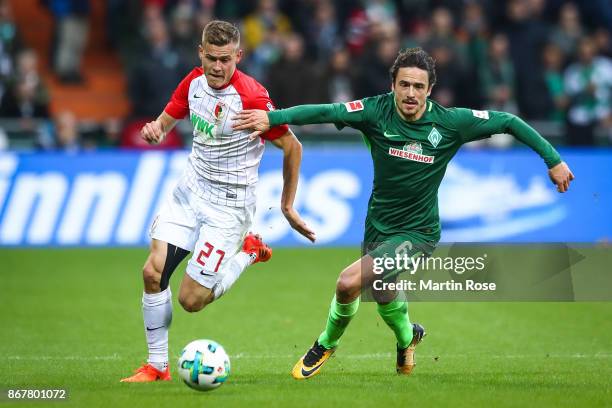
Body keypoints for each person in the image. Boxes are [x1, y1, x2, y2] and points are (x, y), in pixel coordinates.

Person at [233, 47, 574, 379]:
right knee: (381, 292)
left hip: (418, 234)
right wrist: (273, 118)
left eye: (419, 86)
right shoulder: (374, 112)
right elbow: (327, 111)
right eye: (404, 85)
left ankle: (325, 344)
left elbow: (508, 121)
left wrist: (553, 159)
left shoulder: (450, 123)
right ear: (392, 84)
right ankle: (408, 337)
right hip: (379, 225)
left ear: (430, 89)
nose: (411, 93)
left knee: (347, 282)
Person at [120, 20, 315, 383]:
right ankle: (157, 367)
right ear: (201, 53)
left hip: (228, 207)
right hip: (189, 192)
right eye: (211, 58)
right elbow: (168, 118)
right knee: (152, 273)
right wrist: (155, 129)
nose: (217, 67)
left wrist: (287, 206)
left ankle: (249, 250)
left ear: (238, 56)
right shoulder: (192, 82)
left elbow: (292, 145)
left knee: (191, 300)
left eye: (226, 59)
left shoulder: (252, 97)